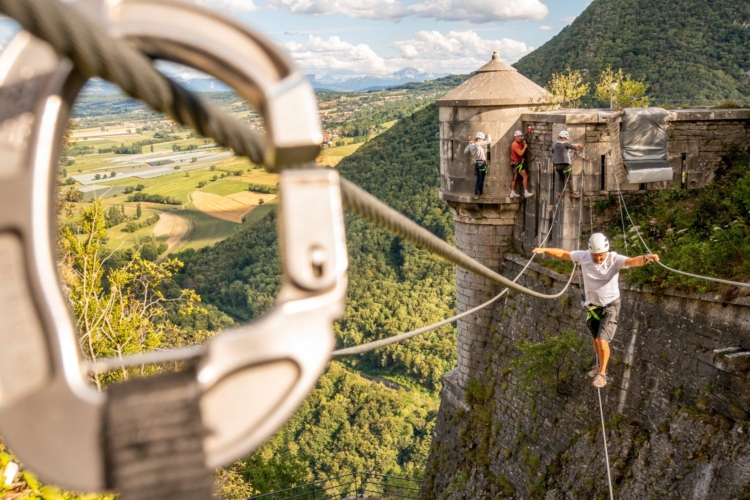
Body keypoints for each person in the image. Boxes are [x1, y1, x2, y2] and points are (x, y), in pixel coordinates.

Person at [532, 233, 660, 388]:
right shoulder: (584, 256)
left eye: (601, 255)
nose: (598, 259)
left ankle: (602, 374)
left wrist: (646, 258)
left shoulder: (614, 259)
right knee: (595, 340)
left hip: (610, 305)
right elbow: (563, 254)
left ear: (606, 251)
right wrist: (544, 250)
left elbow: (633, 261)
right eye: (595, 256)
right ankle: (599, 366)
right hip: (593, 307)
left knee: (602, 340)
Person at [551, 130, 583, 199]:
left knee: (560, 178)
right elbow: (573, 146)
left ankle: (559, 193)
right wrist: (580, 145)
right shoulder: (565, 143)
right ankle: (572, 194)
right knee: (569, 179)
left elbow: (553, 150)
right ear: (565, 138)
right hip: (565, 165)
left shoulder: (555, 144)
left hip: (557, 166)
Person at [465, 132, 492, 199]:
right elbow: (489, 141)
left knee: (478, 179)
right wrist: (488, 135)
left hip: (476, 164)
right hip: (482, 164)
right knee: (481, 180)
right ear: (479, 138)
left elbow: (465, 151)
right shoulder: (479, 144)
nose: (483, 140)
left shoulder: (470, 146)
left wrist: (470, 143)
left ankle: (476, 194)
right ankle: (481, 194)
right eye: (482, 139)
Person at [510, 130, 533, 198]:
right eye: (518, 137)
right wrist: (525, 147)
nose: (520, 138)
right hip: (517, 163)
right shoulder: (514, 144)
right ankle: (526, 192)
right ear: (515, 137)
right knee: (525, 176)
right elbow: (520, 153)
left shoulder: (519, 143)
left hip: (515, 162)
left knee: (515, 177)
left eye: (521, 137)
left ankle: (512, 192)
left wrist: (524, 143)